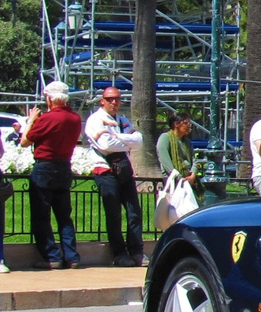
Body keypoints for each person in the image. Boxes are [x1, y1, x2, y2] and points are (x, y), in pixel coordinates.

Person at [19, 81, 81, 272]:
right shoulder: (75, 118)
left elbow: (24, 141)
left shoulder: (47, 118)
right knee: (64, 216)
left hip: (45, 167)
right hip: (64, 166)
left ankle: (52, 256)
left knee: (41, 215)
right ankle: (71, 256)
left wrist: (31, 120)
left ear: (50, 98)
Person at [85, 86, 145, 268]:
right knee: (114, 215)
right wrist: (125, 141)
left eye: (117, 99)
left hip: (124, 171)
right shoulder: (95, 120)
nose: (114, 102)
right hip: (105, 171)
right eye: (110, 99)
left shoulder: (123, 120)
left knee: (134, 212)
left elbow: (139, 141)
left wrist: (116, 137)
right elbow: (105, 144)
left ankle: (137, 251)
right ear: (102, 101)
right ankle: (119, 254)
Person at [156, 112, 200, 192]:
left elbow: (194, 159)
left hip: (188, 179)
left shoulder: (187, 142)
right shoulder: (165, 138)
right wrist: (179, 177)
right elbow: (165, 161)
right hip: (172, 180)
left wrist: (193, 174)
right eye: (186, 123)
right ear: (176, 124)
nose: (189, 126)